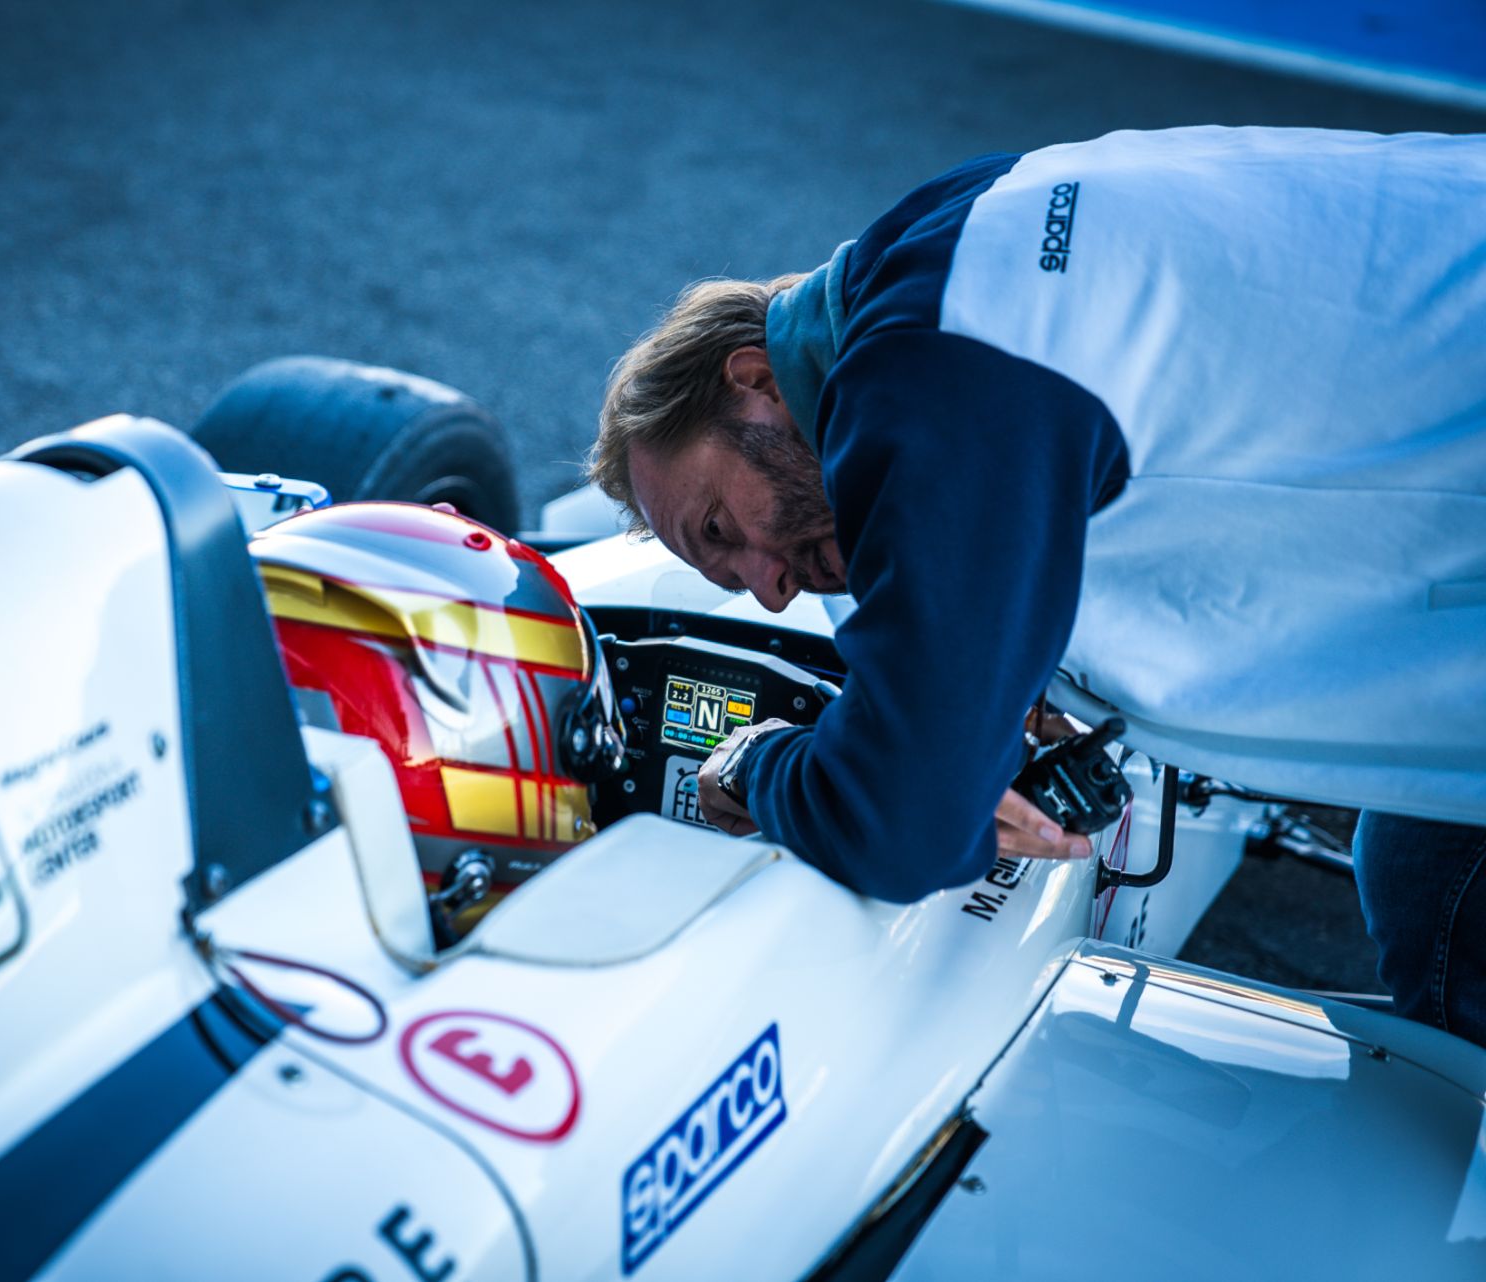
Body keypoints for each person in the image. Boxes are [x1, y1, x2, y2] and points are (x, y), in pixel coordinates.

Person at [587, 126, 1486, 1045]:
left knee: (1443, 902)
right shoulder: (942, 250)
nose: (770, 592)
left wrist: (754, 761)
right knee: (1427, 869)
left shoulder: (925, 373)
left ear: (753, 383)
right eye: (730, 580)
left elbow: (899, 824)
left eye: (721, 531)